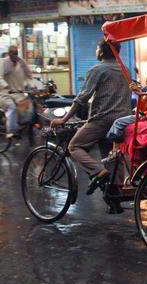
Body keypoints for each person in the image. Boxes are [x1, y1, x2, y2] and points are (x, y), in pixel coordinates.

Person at [50, 40, 131, 190]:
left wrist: (64, 119)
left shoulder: (97, 69)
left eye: (97, 48)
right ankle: (115, 193)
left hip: (102, 120)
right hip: (121, 121)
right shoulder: (125, 69)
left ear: (101, 51)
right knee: (111, 156)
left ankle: (98, 171)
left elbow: (82, 98)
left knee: (74, 146)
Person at [0, 45, 33, 139]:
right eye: (13, 54)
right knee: (12, 108)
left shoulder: (21, 62)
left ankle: (22, 126)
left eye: (16, 54)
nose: (15, 56)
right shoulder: (3, 63)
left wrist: (32, 86)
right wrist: (6, 86)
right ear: (9, 54)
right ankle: (11, 131)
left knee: (29, 108)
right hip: (5, 94)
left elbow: (28, 76)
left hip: (19, 94)